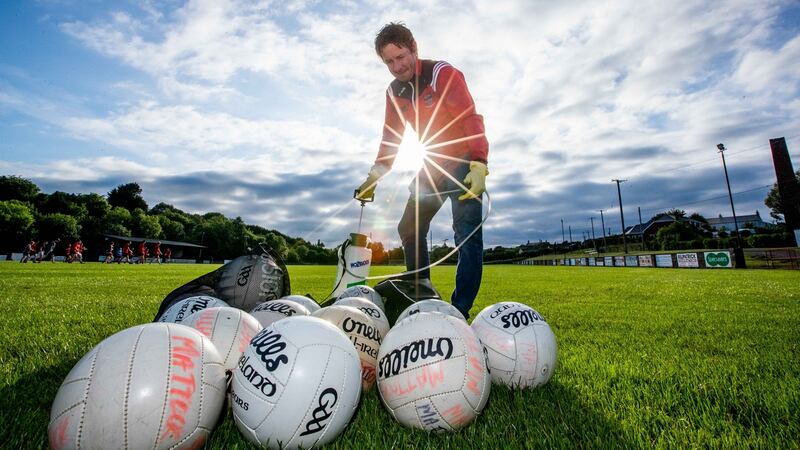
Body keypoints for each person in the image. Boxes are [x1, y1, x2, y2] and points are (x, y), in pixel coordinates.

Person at [355, 23, 489, 319]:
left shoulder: (442, 73)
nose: (396, 66)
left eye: (401, 57)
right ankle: (420, 290)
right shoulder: (393, 92)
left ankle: (459, 311)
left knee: (466, 236)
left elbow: (470, 118)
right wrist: (374, 177)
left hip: (465, 162)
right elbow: (391, 139)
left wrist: (480, 163)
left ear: (414, 49)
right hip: (432, 165)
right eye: (388, 61)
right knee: (408, 227)